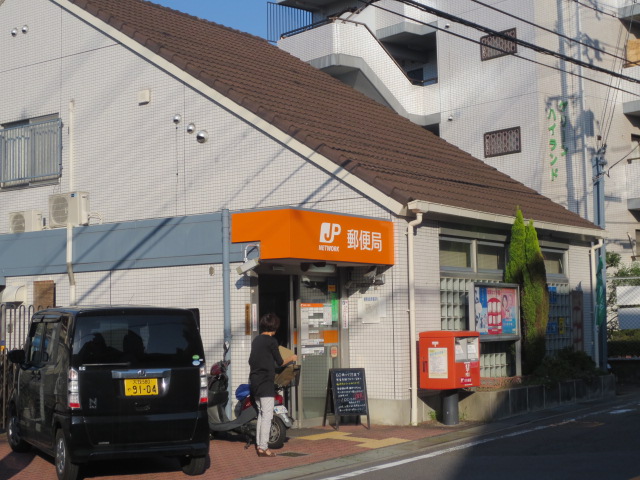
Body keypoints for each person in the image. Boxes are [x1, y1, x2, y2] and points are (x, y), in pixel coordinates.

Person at [249, 313, 297, 457]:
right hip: (266, 383)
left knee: (261, 414)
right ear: (274, 327)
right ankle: (263, 447)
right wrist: (292, 358)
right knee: (267, 416)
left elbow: (251, 361)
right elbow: (280, 362)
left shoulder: (256, 340)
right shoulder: (272, 341)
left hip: (255, 382)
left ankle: (259, 445)